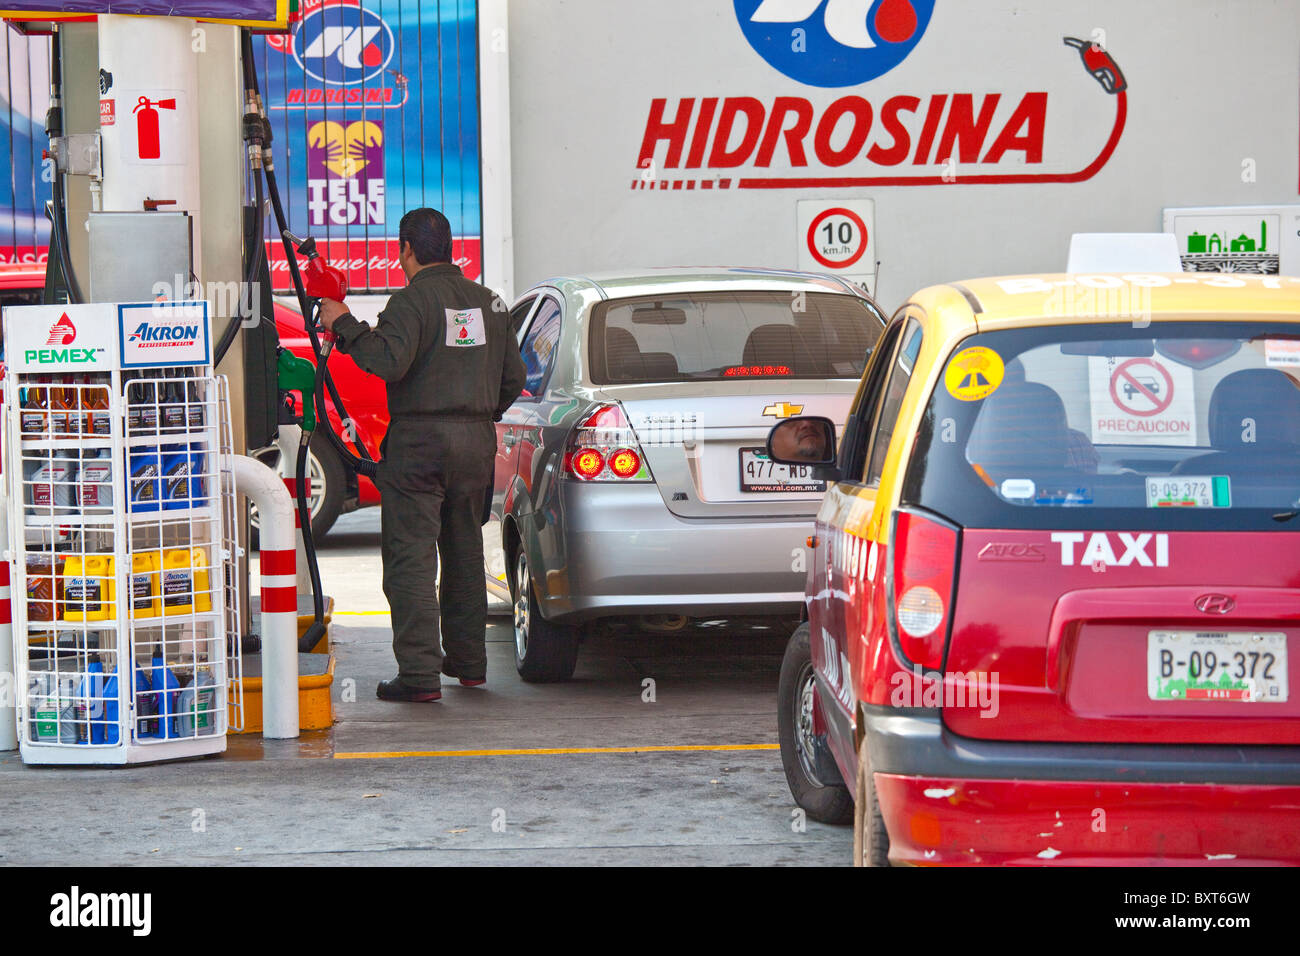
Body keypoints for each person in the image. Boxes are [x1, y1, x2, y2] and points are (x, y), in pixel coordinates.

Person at [318, 208, 526, 702]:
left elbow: (387, 361)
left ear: (406, 249)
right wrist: (479, 412)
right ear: (450, 248)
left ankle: (419, 677)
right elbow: (515, 377)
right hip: (475, 443)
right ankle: (471, 665)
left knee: (411, 560)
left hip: (419, 445)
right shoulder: (489, 303)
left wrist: (343, 323)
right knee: (464, 553)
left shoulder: (411, 302)